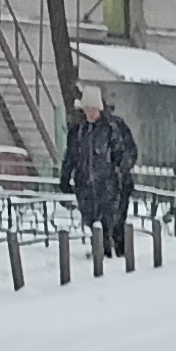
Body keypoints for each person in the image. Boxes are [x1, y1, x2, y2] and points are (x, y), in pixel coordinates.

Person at [60, 93, 139, 263]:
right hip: (86, 184)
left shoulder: (113, 128)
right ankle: (102, 250)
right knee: (91, 217)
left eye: (92, 109)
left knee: (111, 218)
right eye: (86, 109)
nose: (89, 113)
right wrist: (65, 177)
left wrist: (120, 171)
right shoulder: (78, 131)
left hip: (111, 183)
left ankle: (112, 253)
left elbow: (128, 152)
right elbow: (71, 156)